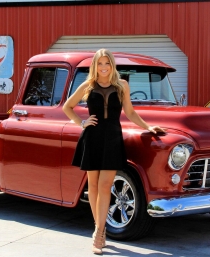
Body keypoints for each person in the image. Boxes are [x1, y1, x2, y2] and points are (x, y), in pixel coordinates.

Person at [62, 49, 165, 254]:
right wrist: (82, 122)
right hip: (92, 137)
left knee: (105, 185)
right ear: (95, 66)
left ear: (112, 65)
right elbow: (67, 107)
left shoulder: (122, 85)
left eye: (107, 64)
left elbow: (130, 112)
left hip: (112, 139)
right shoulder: (88, 85)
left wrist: (148, 127)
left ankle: (100, 232)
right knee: (92, 186)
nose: (103, 68)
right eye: (99, 64)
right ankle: (98, 229)